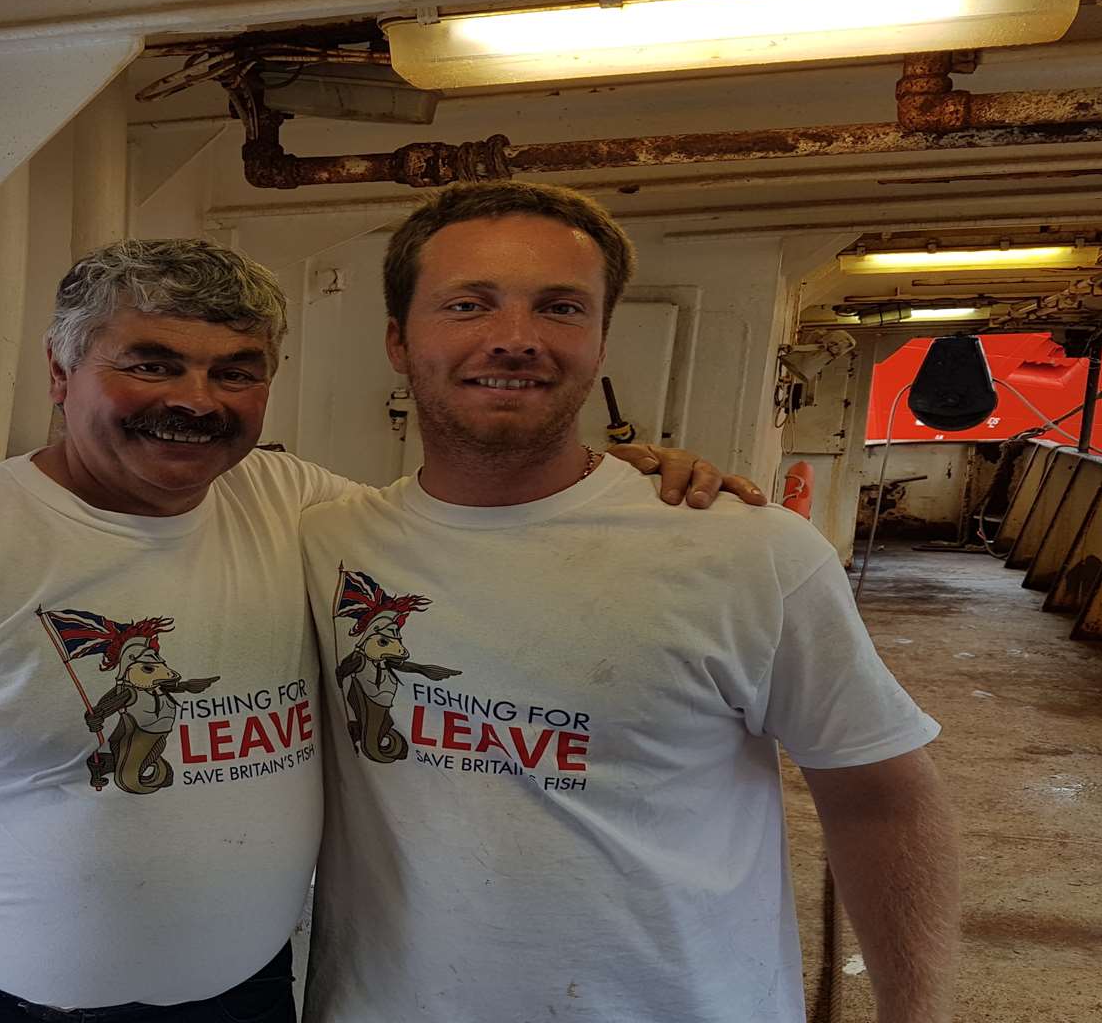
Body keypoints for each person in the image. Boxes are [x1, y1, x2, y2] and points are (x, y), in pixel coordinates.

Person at [0, 238, 756, 1023]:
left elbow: (477, 526)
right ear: (61, 374)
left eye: (235, 370)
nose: (195, 401)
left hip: (237, 1002)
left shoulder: (299, 508)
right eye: (152, 364)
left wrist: (623, 486)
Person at [298, 181, 960, 1023]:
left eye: (561, 308)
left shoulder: (746, 551)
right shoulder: (322, 547)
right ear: (399, 340)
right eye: (468, 305)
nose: (514, 340)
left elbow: (882, 799)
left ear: (602, 339)